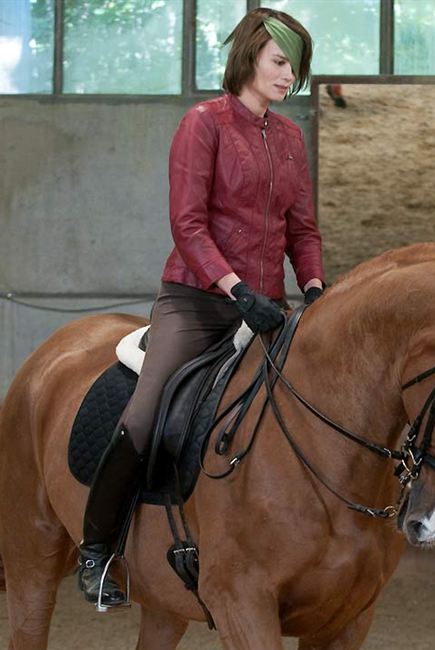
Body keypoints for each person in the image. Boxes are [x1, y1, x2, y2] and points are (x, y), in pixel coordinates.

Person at [77, 8, 327, 609]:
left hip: (269, 310)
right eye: (279, 61)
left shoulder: (290, 138)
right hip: (197, 302)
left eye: (296, 67)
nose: (289, 75)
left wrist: (315, 288)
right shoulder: (204, 124)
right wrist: (236, 289)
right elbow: (187, 225)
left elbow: (303, 231)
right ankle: (97, 551)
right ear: (249, 59)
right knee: (145, 414)